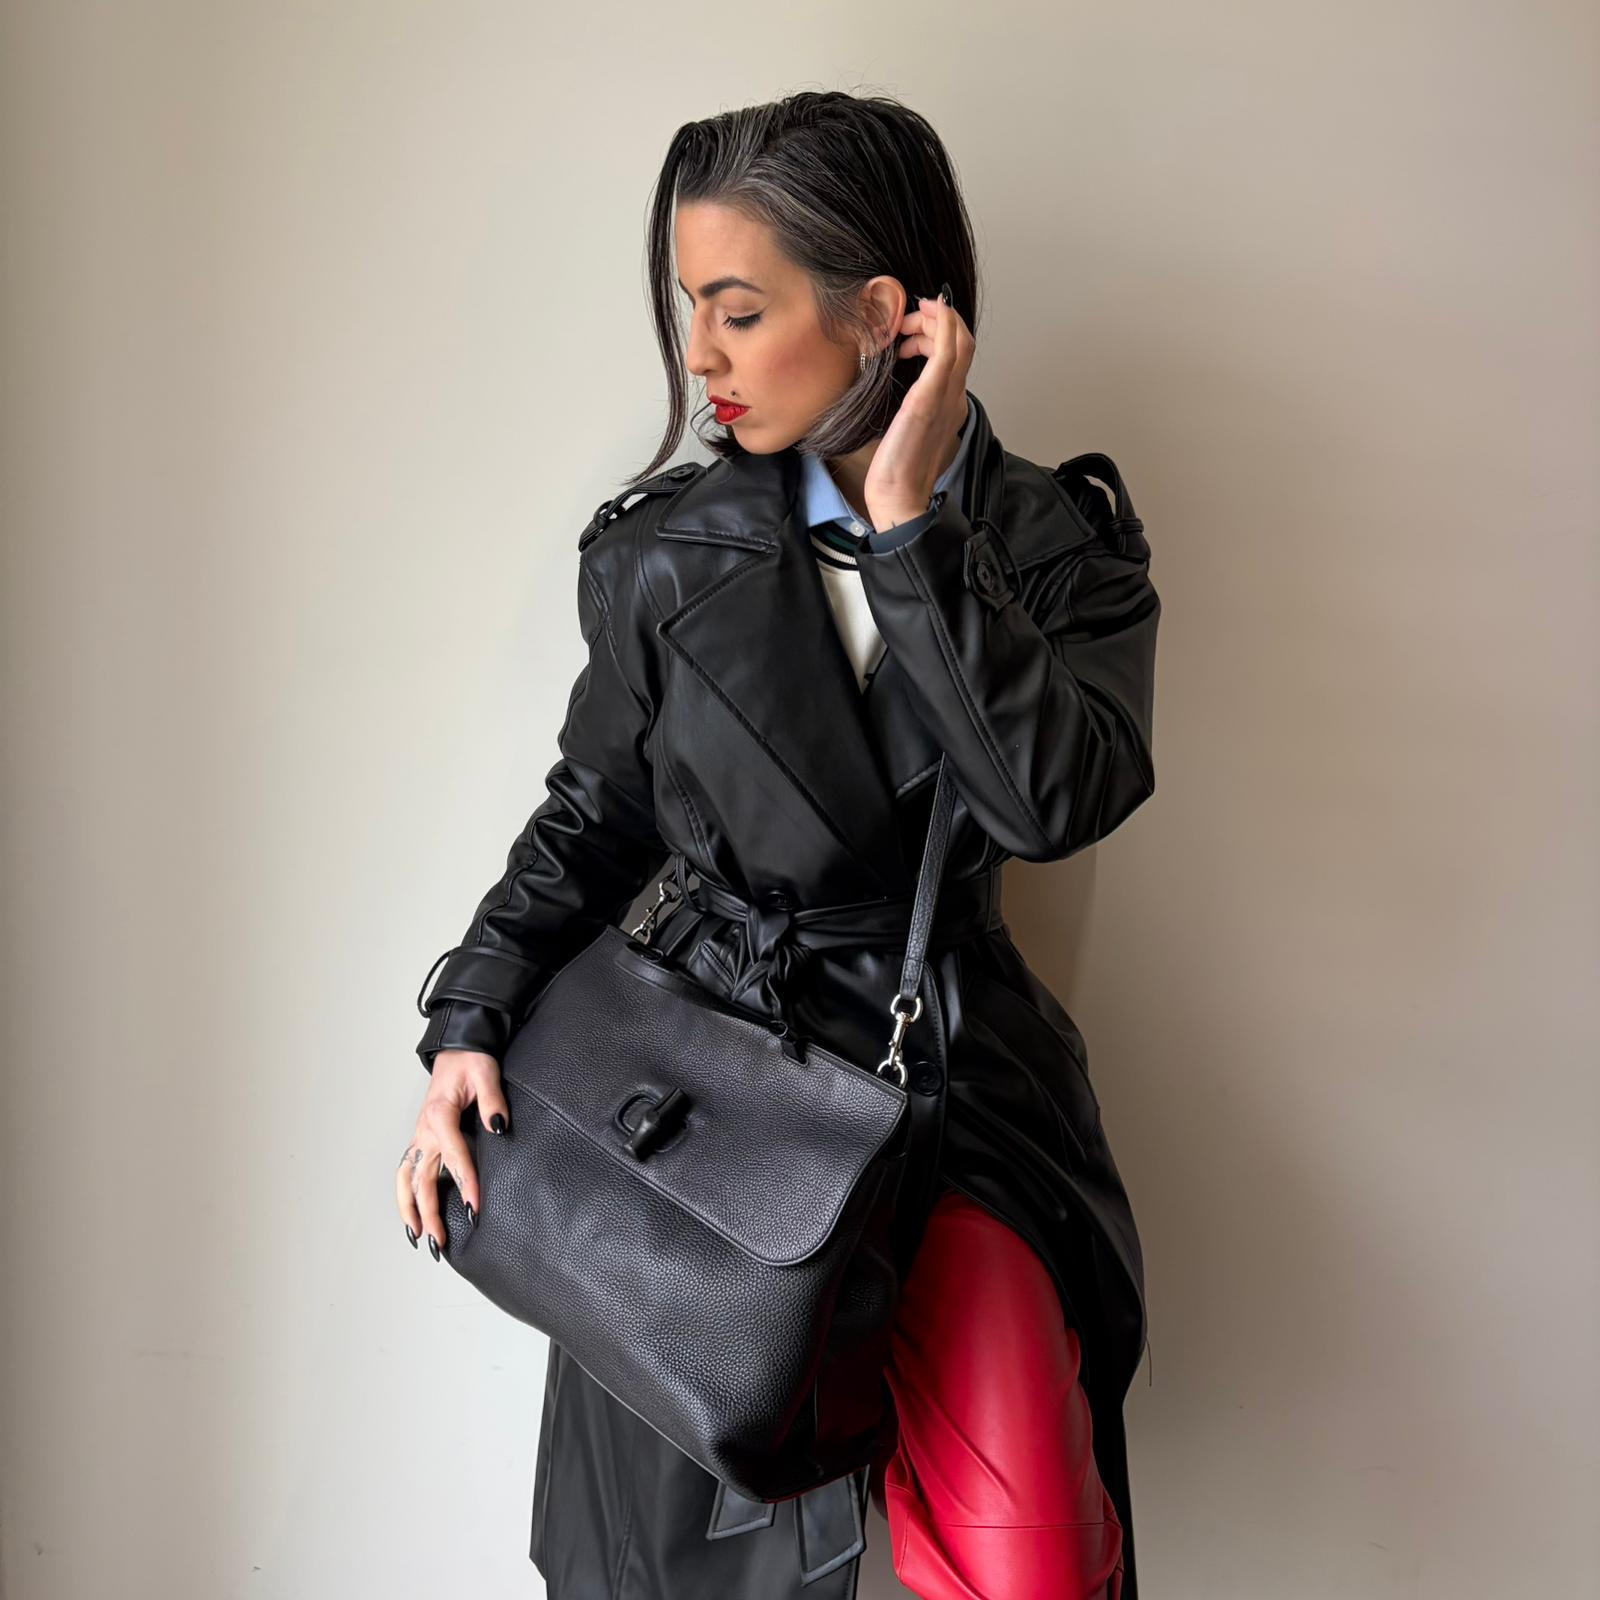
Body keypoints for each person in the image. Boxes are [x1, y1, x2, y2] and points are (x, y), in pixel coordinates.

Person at [397, 89, 1159, 1600]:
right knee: (683, 1567)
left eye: (738, 311)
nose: (700, 356)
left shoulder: (1056, 549)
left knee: (1036, 1564)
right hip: (698, 1086)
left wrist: (911, 535)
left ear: (880, 314)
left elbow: (1054, 803)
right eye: (690, 307)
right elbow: (596, 813)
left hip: (949, 1089)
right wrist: (468, 1019)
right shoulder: (664, 554)